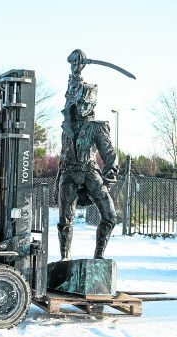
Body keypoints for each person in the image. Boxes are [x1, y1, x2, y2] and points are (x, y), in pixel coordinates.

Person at [55, 57, 118, 261]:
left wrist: (107, 182)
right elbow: (71, 90)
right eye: (79, 101)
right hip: (68, 173)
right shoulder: (68, 122)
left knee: (110, 216)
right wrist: (76, 70)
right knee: (65, 220)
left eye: (85, 103)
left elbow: (110, 157)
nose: (80, 105)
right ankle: (65, 258)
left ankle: (98, 257)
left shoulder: (97, 128)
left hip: (90, 172)